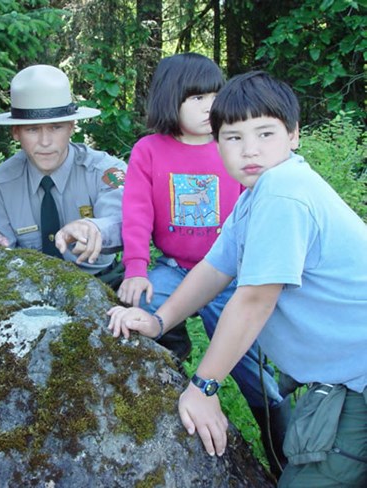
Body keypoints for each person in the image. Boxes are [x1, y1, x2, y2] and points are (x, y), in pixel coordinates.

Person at [107, 72, 367, 487]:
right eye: (232, 137)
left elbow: (254, 301)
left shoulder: (284, 193)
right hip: (342, 379)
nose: (250, 150)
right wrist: (160, 321)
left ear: (294, 135)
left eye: (265, 133)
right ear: (216, 142)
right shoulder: (255, 195)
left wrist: (204, 387)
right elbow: (213, 269)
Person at [117, 53, 289, 476]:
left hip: (231, 276)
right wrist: (136, 268)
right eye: (196, 97)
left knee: (253, 370)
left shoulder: (231, 145)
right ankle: (161, 389)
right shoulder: (150, 150)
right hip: (173, 268)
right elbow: (136, 212)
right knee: (139, 317)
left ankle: (285, 455)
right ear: (170, 99)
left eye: (214, 94)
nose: (209, 105)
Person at [0, 64, 127, 289]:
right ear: (16, 132)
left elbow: (124, 221)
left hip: (102, 281)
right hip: (28, 286)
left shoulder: (105, 171)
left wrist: (94, 229)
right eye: (32, 129)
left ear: (71, 126)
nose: (45, 142)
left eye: (56, 127)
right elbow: (5, 254)